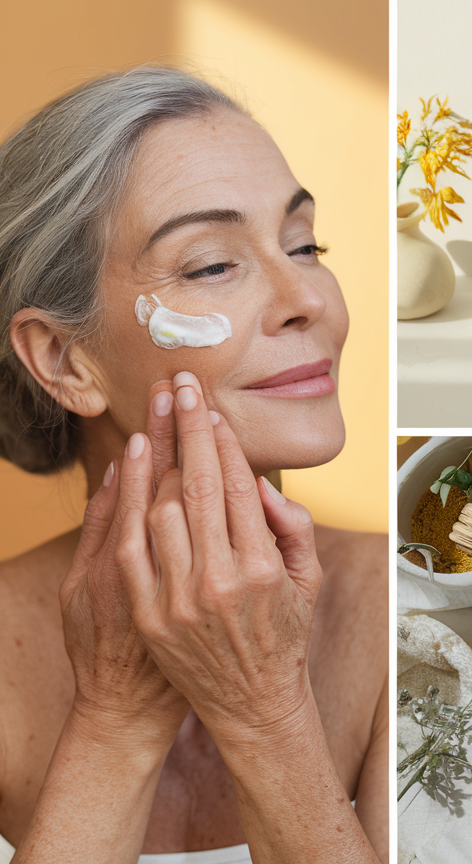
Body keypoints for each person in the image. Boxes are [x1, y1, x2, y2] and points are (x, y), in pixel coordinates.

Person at [0, 68, 387, 862]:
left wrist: (266, 713)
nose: (304, 297)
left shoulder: (411, 602)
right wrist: (112, 722)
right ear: (65, 359)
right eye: (212, 265)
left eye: (304, 245)